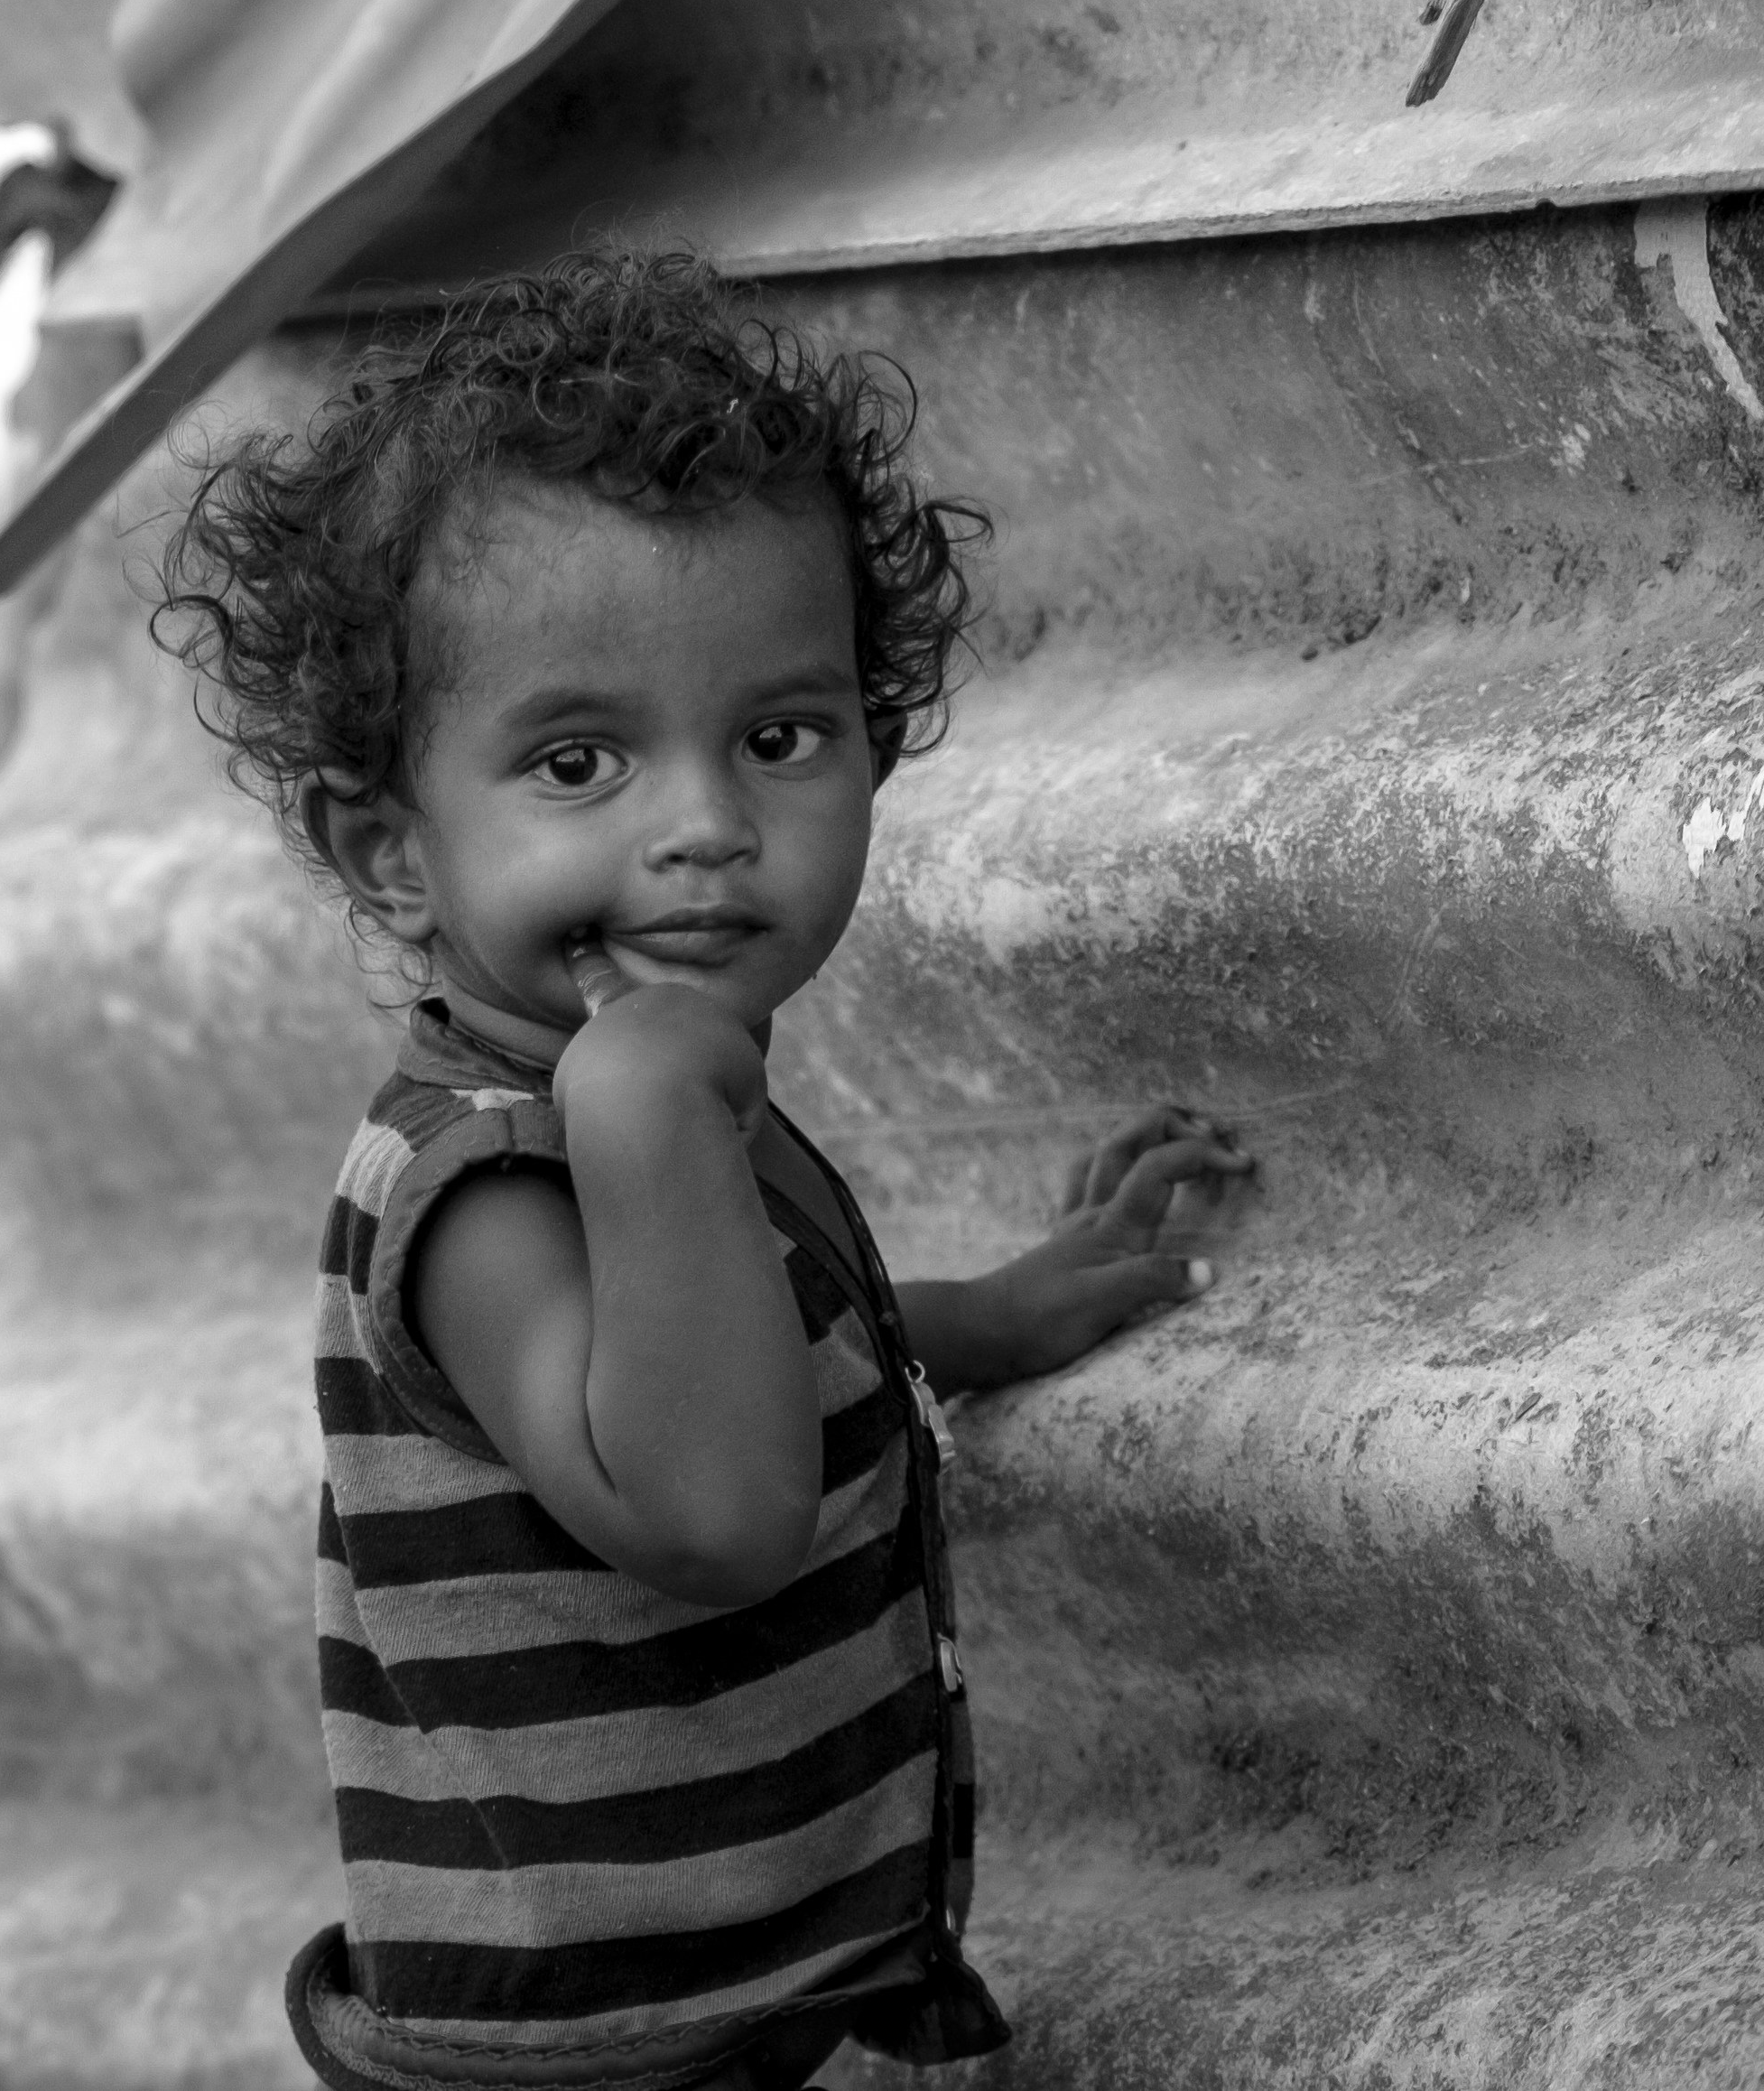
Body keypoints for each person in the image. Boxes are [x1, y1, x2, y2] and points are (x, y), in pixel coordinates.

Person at [154, 251, 1251, 2091]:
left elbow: (738, 1342)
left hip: (751, 1999)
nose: (708, 828)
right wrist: (654, 1107)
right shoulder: (482, 1184)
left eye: (781, 736)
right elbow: (714, 1507)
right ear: (393, 848)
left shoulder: (605, 1089)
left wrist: (994, 1310)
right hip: (619, 2053)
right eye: (579, 759)